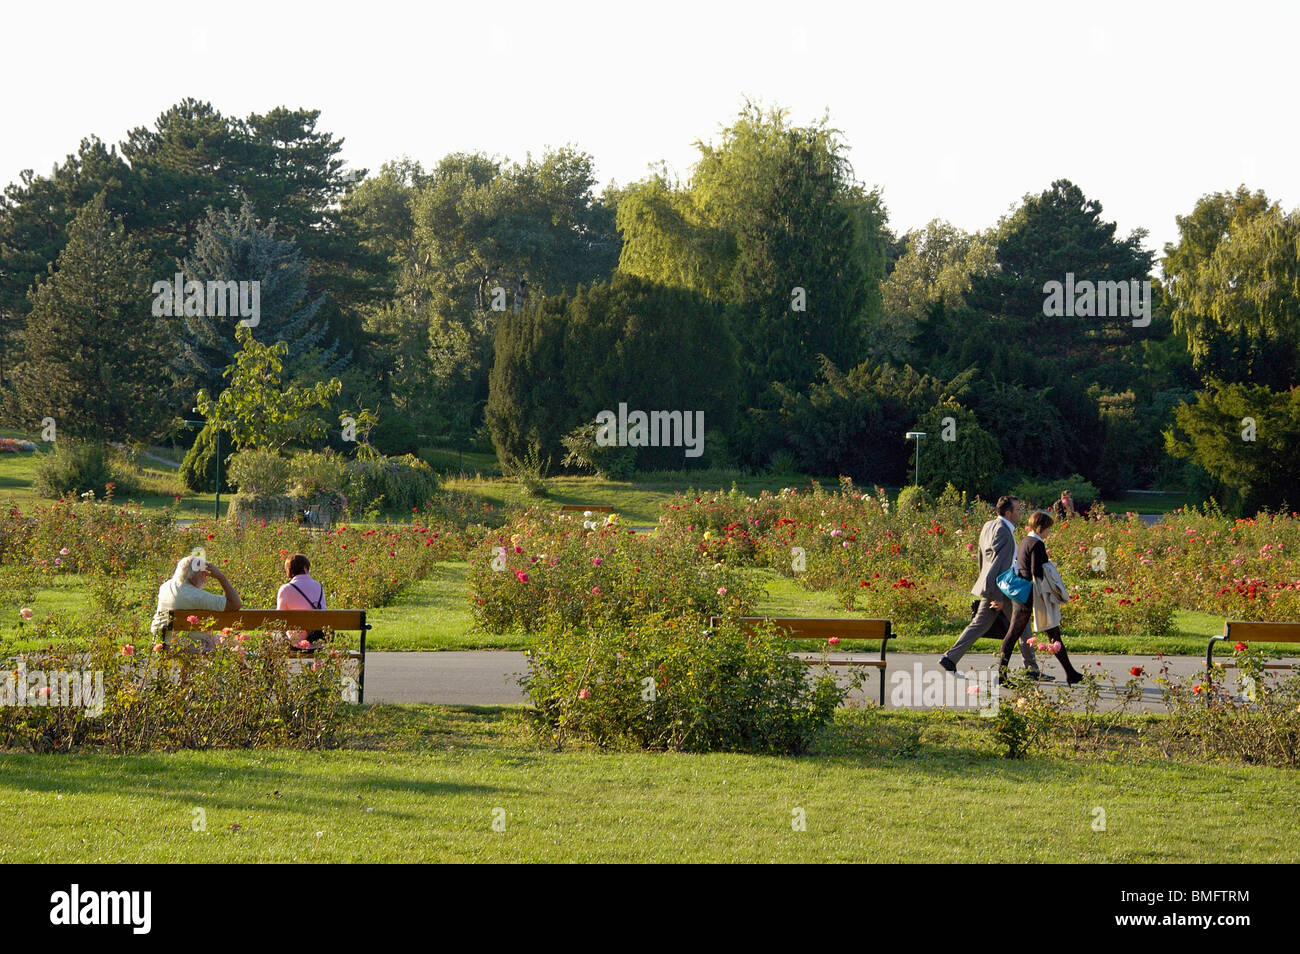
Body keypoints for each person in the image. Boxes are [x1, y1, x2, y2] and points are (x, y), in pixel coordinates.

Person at [939, 496, 1045, 678]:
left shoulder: (989, 526)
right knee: (1021, 624)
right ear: (1008, 513)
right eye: (1018, 509)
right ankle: (1032, 669)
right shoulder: (1003, 531)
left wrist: (986, 583)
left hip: (993, 586)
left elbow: (984, 558)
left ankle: (950, 658)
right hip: (1003, 588)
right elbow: (999, 563)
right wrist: (997, 595)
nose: (1020, 512)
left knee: (981, 625)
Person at [998, 510, 1083, 686]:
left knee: (1027, 633)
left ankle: (1071, 673)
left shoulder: (1025, 541)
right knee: (1041, 633)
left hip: (1022, 592)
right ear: (1041, 527)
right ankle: (1001, 676)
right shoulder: (1037, 544)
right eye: (1048, 528)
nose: (1049, 532)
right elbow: (1037, 571)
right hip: (1031, 595)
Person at [151, 554, 242, 652]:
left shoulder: (165, 587)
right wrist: (221, 576)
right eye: (203, 574)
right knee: (233, 643)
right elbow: (235, 603)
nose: (205, 578)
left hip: (163, 644)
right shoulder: (197, 596)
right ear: (194, 577)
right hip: (193, 646)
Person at [276, 553, 326, 645]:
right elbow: (323, 613)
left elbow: (279, 619)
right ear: (305, 568)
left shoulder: (285, 589)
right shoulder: (318, 586)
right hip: (316, 640)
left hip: (293, 641)